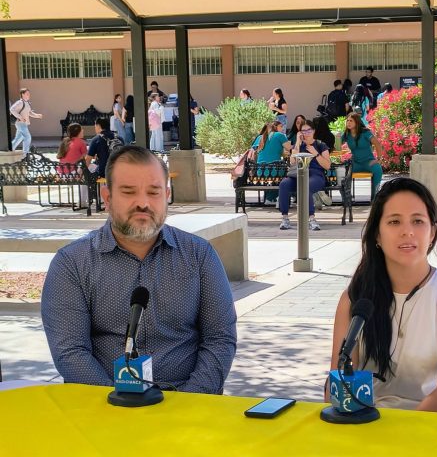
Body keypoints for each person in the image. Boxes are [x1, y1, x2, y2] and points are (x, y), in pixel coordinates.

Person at [41, 145, 237, 394]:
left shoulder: (199, 255)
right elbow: (70, 352)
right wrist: (118, 405)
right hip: (105, 406)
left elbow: (220, 338)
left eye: (153, 192)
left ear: (167, 195)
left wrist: (189, 402)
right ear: (107, 197)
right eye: (128, 192)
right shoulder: (72, 263)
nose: (143, 203)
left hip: (188, 403)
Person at [329, 177, 437, 414]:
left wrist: (404, 430)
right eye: (394, 222)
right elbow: (337, 380)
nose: (407, 231)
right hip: (372, 422)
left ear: (433, 232)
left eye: (418, 221)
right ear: (377, 235)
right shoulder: (355, 300)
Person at [278, 119, 330, 231]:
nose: (306, 133)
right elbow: (292, 161)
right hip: (298, 175)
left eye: (309, 130)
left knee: (306, 186)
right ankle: (285, 218)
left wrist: (315, 153)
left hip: (316, 176)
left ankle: (311, 219)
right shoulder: (298, 146)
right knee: (284, 184)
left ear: (314, 131)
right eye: (303, 131)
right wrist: (297, 142)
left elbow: (327, 165)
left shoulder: (321, 145)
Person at [342, 112, 383, 201]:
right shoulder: (346, 134)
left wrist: (379, 159)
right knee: (343, 171)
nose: (348, 123)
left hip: (369, 162)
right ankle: (346, 197)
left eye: (351, 121)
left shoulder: (365, 132)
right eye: (347, 121)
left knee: (378, 169)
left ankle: (375, 198)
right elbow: (337, 146)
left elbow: (377, 144)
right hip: (355, 163)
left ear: (356, 122)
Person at [252, 120, 291, 206]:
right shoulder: (280, 135)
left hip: (259, 171)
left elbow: (255, 151)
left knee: (271, 173)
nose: (282, 128)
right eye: (281, 126)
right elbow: (290, 148)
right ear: (275, 127)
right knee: (286, 174)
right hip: (274, 171)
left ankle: (269, 198)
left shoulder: (260, 137)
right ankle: (271, 198)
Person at [56, 123, 88, 204]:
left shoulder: (65, 141)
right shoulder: (81, 142)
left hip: (61, 174)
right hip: (72, 175)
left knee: (85, 170)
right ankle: (83, 201)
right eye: (81, 129)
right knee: (89, 170)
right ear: (78, 132)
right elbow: (86, 158)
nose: (83, 130)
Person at [10, 87, 43, 154]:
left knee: (18, 138)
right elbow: (12, 109)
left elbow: (30, 113)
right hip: (20, 123)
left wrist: (37, 115)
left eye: (29, 93)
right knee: (27, 137)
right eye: (27, 93)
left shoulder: (27, 103)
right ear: (22, 94)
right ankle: (25, 154)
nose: (29, 95)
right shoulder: (20, 102)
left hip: (24, 124)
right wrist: (20, 117)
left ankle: (10, 149)